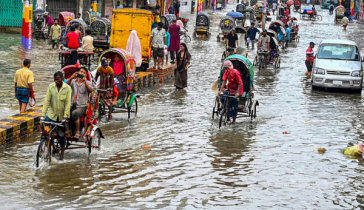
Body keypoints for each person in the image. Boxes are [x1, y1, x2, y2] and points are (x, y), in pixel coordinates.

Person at [42, 71, 72, 160]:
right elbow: (47, 101)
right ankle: (47, 149)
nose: (56, 81)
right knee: (45, 131)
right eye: (55, 79)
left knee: (61, 136)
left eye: (58, 80)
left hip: (62, 116)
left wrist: (65, 116)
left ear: (62, 79)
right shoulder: (51, 87)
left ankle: (62, 153)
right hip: (51, 114)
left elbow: (68, 103)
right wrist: (43, 115)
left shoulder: (67, 88)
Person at [66, 67, 92, 138]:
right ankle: (67, 130)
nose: (82, 73)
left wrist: (85, 83)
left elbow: (90, 90)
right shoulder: (73, 81)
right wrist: (71, 77)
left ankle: (77, 132)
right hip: (72, 104)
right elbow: (66, 86)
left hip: (82, 106)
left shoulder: (88, 83)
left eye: (84, 73)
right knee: (65, 111)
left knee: (75, 113)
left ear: (86, 75)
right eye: (81, 72)